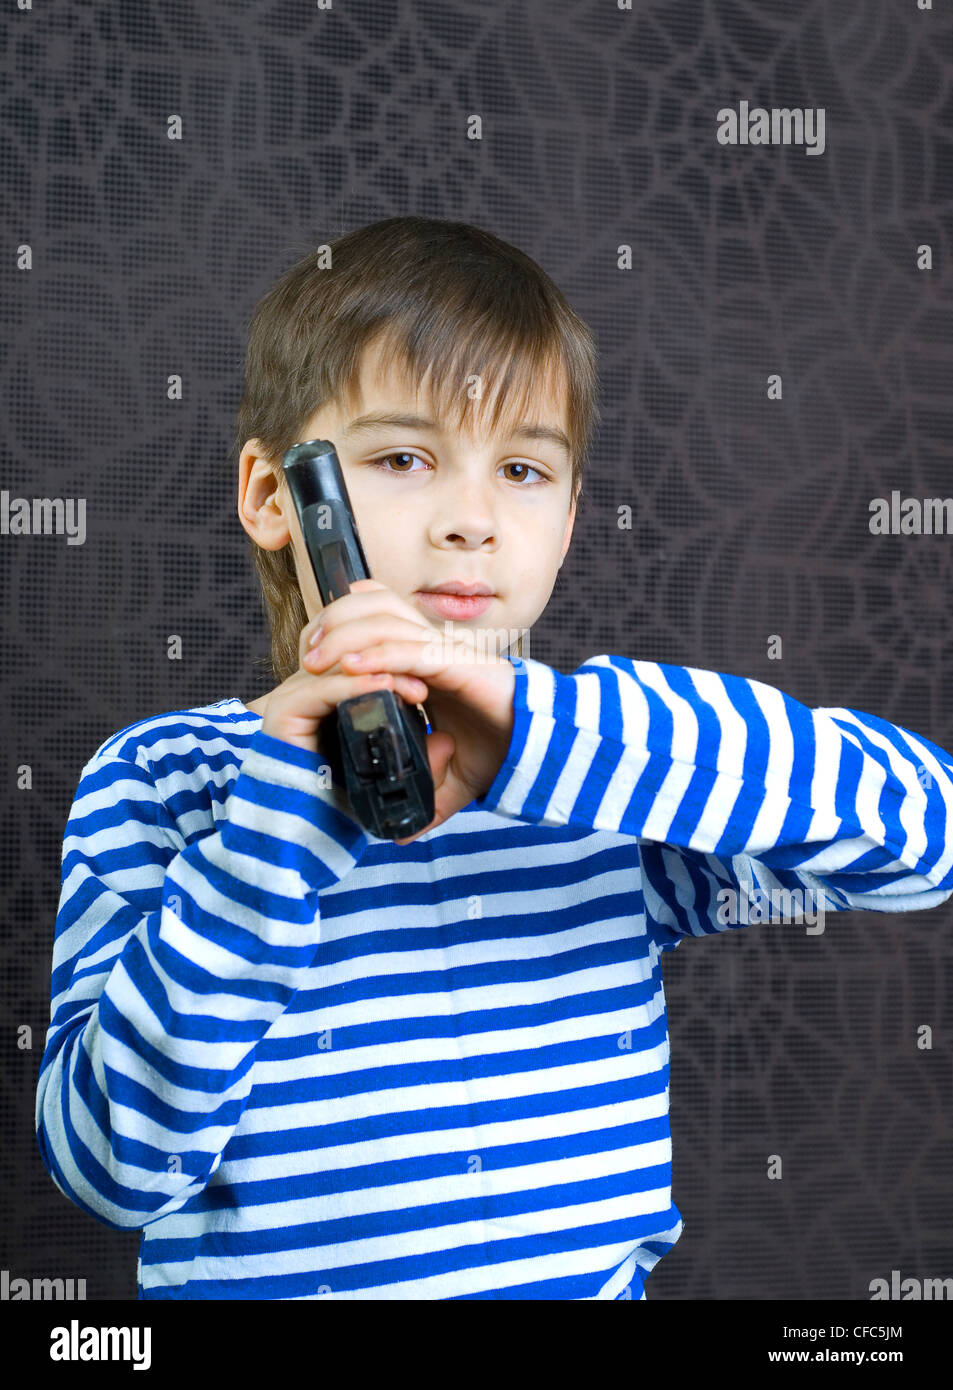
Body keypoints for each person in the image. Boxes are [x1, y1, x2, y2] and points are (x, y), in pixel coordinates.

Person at [35, 217, 953, 1301]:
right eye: (403, 457)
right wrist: (272, 826)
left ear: (567, 523)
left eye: (522, 468)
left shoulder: (609, 770)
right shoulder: (167, 780)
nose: (471, 520)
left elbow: (918, 833)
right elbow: (110, 1169)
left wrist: (539, 729)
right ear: (278, 497)